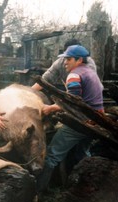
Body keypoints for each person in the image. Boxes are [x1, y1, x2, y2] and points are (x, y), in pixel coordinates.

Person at [36, 45, 104, 192]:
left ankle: (37, 194)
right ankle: (89, 186)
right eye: (64, 59)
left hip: (82, 121)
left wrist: (50, 108)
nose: (65, 62)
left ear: (79, 60)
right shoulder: (90, 73)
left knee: (51, 156)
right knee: (82, 154)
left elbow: (74, 100)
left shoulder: (74, 75)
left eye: (68, 59)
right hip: (97, 121)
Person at [32, 39, 97, 92]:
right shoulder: (60, 62)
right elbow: (45, 80)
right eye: (66, 57)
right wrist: (28, 93)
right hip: (68, 89)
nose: (65, 62)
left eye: (69, 58)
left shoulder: (89, 66)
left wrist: (51, 107)